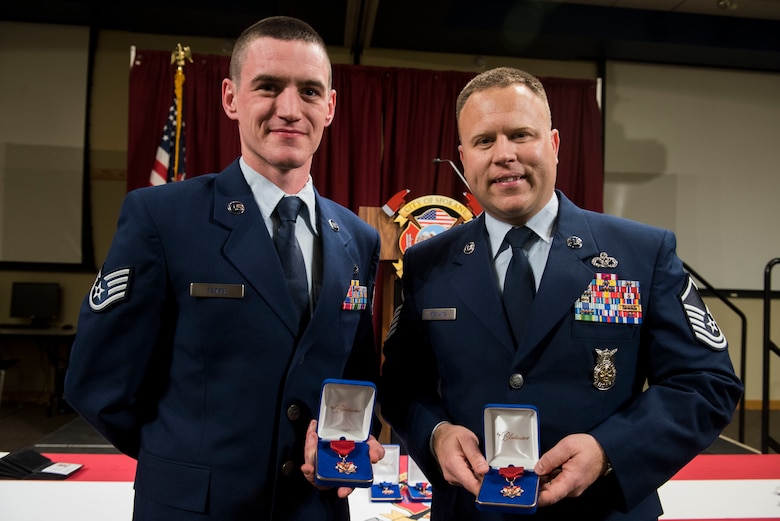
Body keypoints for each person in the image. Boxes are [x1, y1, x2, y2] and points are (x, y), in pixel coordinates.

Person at [379, 67, 743, 520]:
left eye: (520, 135)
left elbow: (706, 384)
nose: (504, 155)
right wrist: (435, 434)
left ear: (553, 144)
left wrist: (609, 449)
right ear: (464, 156)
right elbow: (400, 386)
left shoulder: (640, 254)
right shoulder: (426, 264)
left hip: (601, 509)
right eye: (484, 141)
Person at [65, 16, 384, 520]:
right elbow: (99, 385)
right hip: (193, 509)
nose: (289, 109)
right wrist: (187, 459)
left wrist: (345, 439)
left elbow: (355, 378)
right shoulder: (163, 218)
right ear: (231, 98)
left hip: (313, 508)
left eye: (309, 91)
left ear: (331, 106)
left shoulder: (359, 239)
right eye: (269, 87)